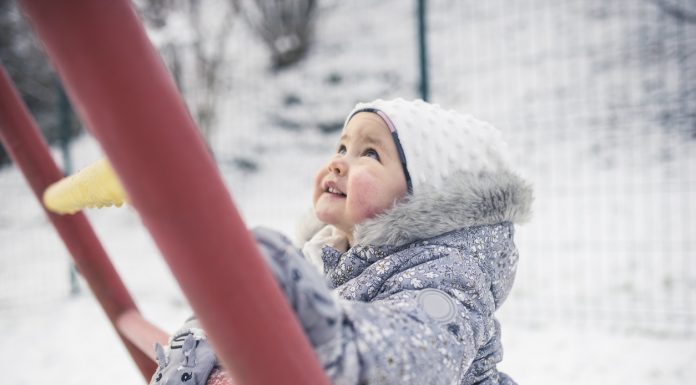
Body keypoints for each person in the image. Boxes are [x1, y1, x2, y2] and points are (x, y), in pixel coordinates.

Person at [150, 98, 533, 385]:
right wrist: (204, 339)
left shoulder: (447, 272)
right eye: (342, 147)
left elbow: (418, 351)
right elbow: (251, 310)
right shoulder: (323, 254)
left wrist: (323, 329)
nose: (338, 162)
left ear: (425, 196)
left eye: (370, 153)